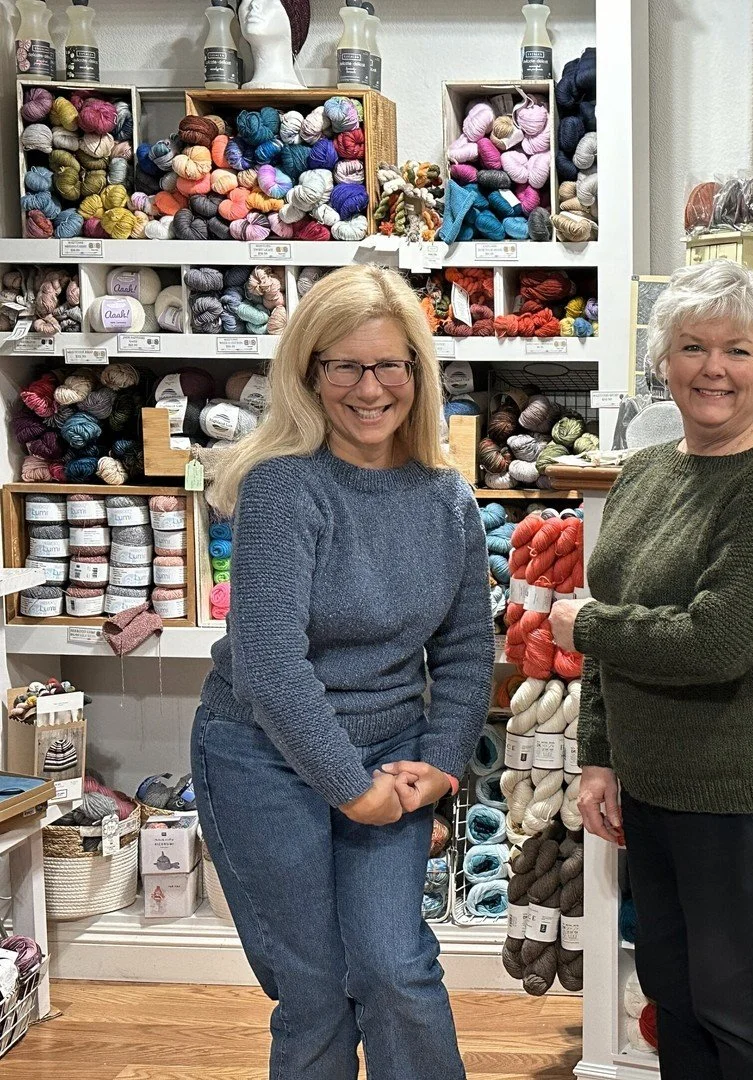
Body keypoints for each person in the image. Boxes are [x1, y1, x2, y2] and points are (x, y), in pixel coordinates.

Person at [192, 264, 491, 1080]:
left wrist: (440, 765)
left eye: (390, 364)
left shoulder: (446, 499)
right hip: (260, 755)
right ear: (310, 374)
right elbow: (269, 666)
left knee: (395, 969)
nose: (371, 387)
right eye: (345, 366)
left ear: (418, 374)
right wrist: (349, 788)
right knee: (318, 993)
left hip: (388, 756)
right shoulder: (286, 486)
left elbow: (467, 651)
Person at [550, 259, 753, 1080]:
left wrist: (589, 626)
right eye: (692, 346)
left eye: (738, 351)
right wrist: (598, 754)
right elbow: (613, 625)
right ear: (662, 362)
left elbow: (718, 641)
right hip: (652, 787)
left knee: (734, 1009)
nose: (714, 369)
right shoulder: (644, 473)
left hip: (734, 798)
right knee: (674, 992)